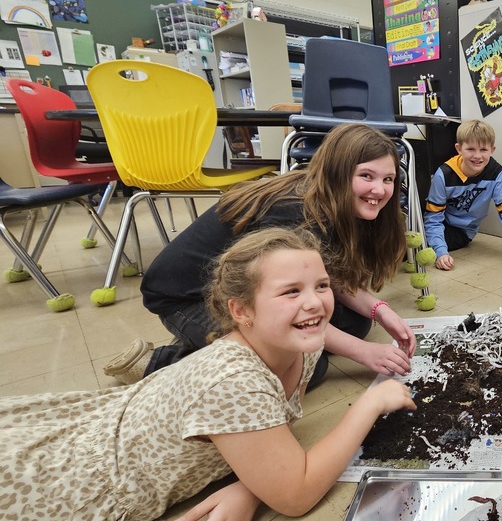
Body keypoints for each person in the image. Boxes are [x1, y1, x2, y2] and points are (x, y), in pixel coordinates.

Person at [0, 227, 417, 521]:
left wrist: (249, 489)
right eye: (291, 291)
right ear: (241, 311)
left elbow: (273, 431)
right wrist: (370, 403)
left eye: (321, 286)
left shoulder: (299, 345)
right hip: (74, 480)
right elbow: (296, 496)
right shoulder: (233, 382)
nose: (314, 303)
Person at [102, 124, 416, 387]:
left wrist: (380, 311)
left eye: (388, 179)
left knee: (356, 323)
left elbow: (329, 276)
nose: (380, 190)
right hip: (188, 298)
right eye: (366, 176)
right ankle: (159, 362)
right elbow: (288, 299)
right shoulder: (295, 214)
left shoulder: (329, 199)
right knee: (300, 367)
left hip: (251, 289)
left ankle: (223, 344)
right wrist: (364, 352)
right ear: (337, 173)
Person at [424, 119, 502, 271]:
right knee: (408, 235)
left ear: (492, 150)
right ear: (459, 149)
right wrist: (441, 252)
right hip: (438, 222)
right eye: (470, 149)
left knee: (414, 246)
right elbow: (433, 218)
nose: (477, 156)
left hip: (461, 231)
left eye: (483, 150)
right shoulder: (443, 174)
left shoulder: (496, 173)